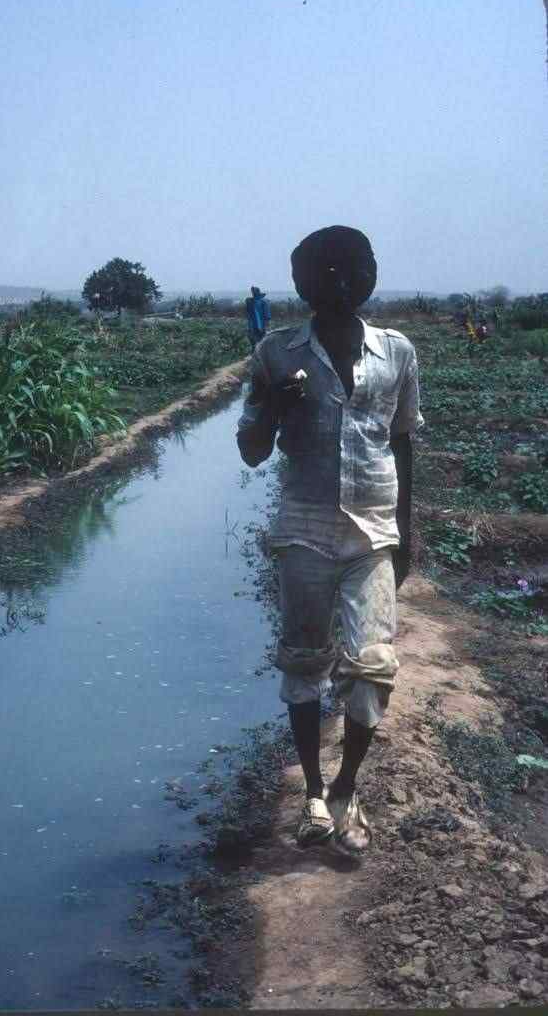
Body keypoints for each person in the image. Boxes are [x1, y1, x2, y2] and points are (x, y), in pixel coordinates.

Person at [236, 226, 424, 858]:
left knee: (374, 666)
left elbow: (401, 442)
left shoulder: (396, 353)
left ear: (364, 280)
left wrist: (408, 532)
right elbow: (252, 451)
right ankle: (313, 791)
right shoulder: (276, 354)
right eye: (324, 277)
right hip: (305, 534)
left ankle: (346, 788)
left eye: (348, 276)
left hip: (373, 530)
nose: (337, 288)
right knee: (304, 663)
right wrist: (275, 404)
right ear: (305, 285)